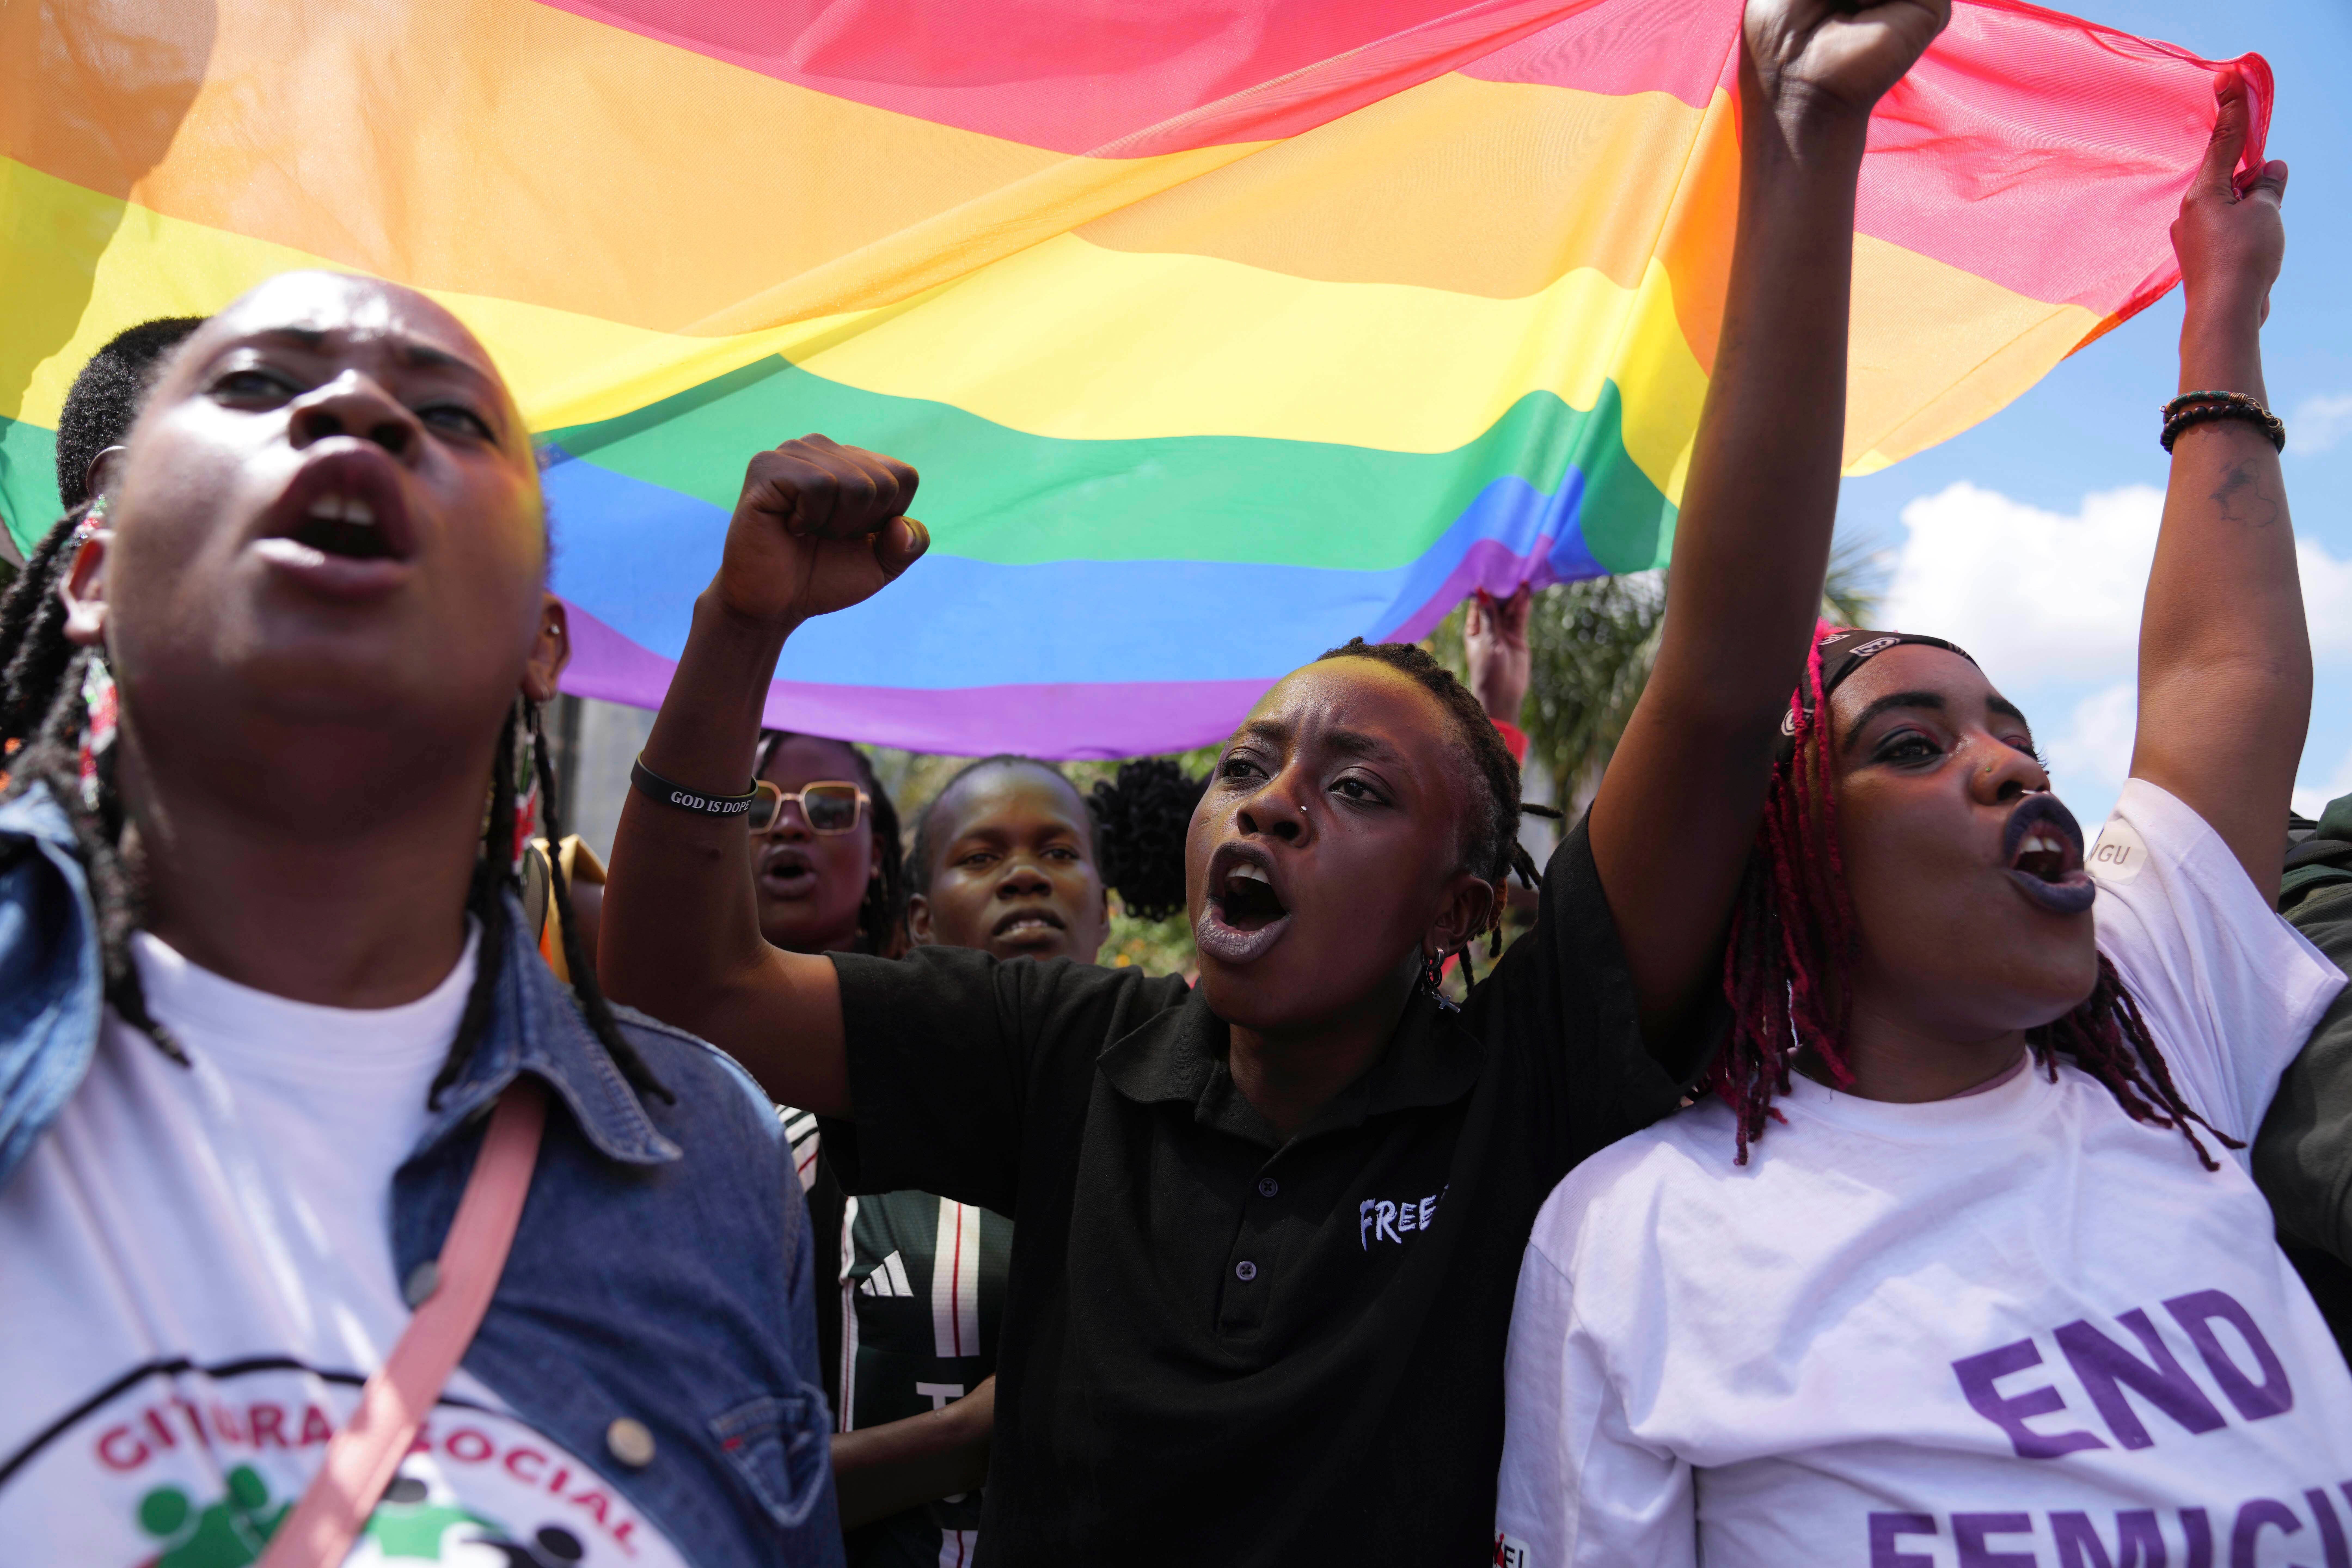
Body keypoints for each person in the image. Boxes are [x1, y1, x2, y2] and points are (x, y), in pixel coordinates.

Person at [598, 0, 1944, 1554]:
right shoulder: (1074, 1053)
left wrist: (1805, 132)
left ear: (1462, 903)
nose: (1272, 802)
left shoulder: (1522, 1083)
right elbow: (681, 990)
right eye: (1250, 764)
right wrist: (739, 627)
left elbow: (1714, 694)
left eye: (1361, 790)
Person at [1495, 70, 2352, 1565]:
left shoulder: (2158, 1046)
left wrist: (2225, 303)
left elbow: (2226, 677)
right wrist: (1810, 136)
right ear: (1789, 860)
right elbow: (1720, 668)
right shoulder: (1639, 1236)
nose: (2017, 772)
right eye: (1911, 746)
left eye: (2014, 737)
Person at [0, 271, 842, 1564]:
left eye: (451, 418)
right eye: (257, 386)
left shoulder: (712, 1159)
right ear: (95, 571)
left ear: (540, 645)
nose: (356, 412)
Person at [788, 752, 1194, 1567]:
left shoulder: (1193, 1133)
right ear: (921, 921)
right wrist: (963, 1439)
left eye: (1059, 853)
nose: (1024, 878)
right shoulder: (803, 1155)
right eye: (980, 858)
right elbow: (719, 1481)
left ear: (1107, 908)